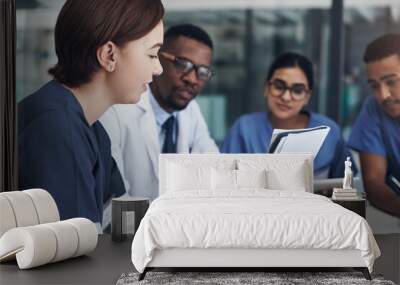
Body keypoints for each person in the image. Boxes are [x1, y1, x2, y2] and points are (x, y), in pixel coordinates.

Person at [18, 0, 164, 229]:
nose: (159, 69)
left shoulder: (93, 130)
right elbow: (73, 250)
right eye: (152, 55)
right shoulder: (56, 129)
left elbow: (119, 222)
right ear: (109, 55)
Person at [100, 24, 218, 200]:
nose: (192, 79)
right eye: (182, 64)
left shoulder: (190, 110)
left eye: (202, 72)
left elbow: (213, 166)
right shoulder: (117, 109)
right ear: (157, 58)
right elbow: (112, 198)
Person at [221, 52, 356, 179]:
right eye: (279, 86)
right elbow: (225, 179)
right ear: (266, 88)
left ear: (307, 97)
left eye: (297, 90)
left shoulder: (330, 132)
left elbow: (348, 184)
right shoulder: (244, 129)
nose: (286, 97)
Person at [348, 33, 400, 217]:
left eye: (391, 82)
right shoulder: (373, 109)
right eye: (374, 86)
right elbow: (373, 182)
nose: (383, 95)